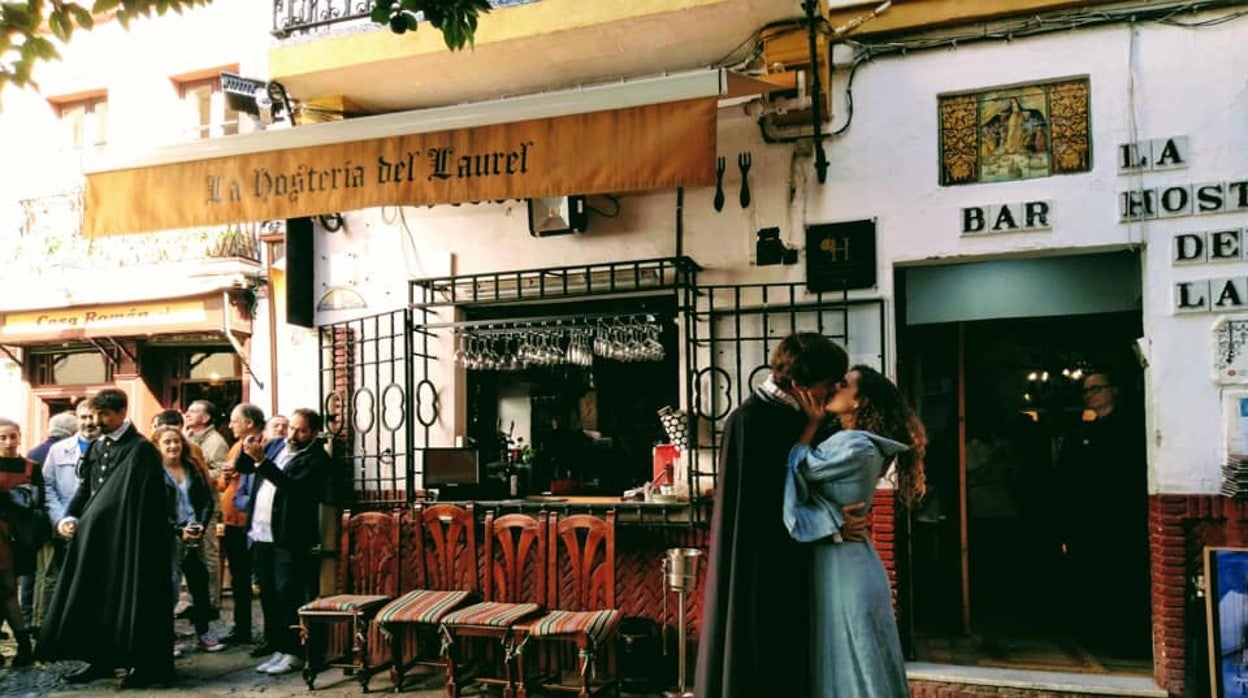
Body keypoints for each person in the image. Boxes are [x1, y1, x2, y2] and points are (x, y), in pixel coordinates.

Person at [694, 332, 868, 697]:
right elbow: (773, 508)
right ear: (800, 384)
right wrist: (833, 526)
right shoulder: (757, 420)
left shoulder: (788, 414)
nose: (834, 389)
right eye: (828, 383)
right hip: (761, 566)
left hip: (776, 559)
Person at [787, 365, 926, 698]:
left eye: (844, 383)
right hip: (844, 560)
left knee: (856, 664)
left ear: (860, 401)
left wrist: (810, 424)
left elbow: (795, 468)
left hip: (845, 567)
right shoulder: (851, 443)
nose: (835, 386)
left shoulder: (856, 447)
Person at [38, 388, 178, 688]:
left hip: (133, 544)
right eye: (94, 414)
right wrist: (68, 517)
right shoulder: (99, 446)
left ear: (121, 413)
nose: (97, 420)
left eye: (104, 415)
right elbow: (86, 488)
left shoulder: (140, 450)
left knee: (136, 601)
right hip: (100, 543)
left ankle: (143, 665)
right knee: (98, 600)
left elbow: (142, 503)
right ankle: (100, 660)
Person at [1055, 369, 1149, 657]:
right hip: (1087, 519)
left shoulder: (1130, 427)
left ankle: (1125, 640)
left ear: (1113, 391)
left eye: (1096, 389)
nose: (1090, 395)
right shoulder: (1081, 432)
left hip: (1119, 518)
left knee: (1120, 578)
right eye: (1085, 390)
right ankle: (1096, 636)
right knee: (1090, 576)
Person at [235, 408, 330, 676]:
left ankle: (297, 653)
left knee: (288, 591)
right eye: (291, 428)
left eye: (301, 430)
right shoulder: (277, 444)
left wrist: (262, 461)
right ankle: (280, 646)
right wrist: (247, 450)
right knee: (268, 593)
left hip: (290, 537)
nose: (293, 434)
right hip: (261, 532)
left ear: (313, 432)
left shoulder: (316, 459)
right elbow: (244, 467)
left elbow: (293, 488)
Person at [151, 425, 224, 655]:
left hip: (195, 532)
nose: (173, 446)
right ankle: (166, 637)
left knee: (199, 585)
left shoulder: (192, 468)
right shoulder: (153, 472)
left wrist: (201, 524)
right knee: (169, 587)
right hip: (169, 535)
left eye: (177, 441)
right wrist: (176, 530)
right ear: (157, 446)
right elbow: (154, 509)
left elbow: (206, 499)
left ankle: (203, 632)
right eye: (167, 442)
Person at [35, 401, 98, 637]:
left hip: (98, 526)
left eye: (92, 417)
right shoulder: (59, 449)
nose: (88, 423)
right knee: (58, 578)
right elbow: (48, 487)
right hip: (64, 525)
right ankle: (56, 629)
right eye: (83, 417)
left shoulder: (110, 449)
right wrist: (61, 519)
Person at [19, 411, 73, 635]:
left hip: (33, 523)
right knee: (49, 572)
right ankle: (42, 621)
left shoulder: (34, 452)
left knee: (33, 573)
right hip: (51, 521)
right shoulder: (57, 451)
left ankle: (28, 616)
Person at [219, 403, 263, 646]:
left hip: (248, 521)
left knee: (254, 578)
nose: (231, 425)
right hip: (232, 521)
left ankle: (266, 633)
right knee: (238, 579)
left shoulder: (257, 446)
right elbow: (226, 483)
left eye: (235, 421)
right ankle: (241, 627)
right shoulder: (236, 446)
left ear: (249, 423)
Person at [0, 418, 41, 667]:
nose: (8, 442)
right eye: (3, 437)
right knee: (6, 590)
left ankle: (24, 646)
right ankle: (24, 645)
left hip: (18, 536)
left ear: (20, 436)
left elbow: (39, 502)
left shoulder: (30, 466)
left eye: (12, 436)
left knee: (6, 589)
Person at [184, 400, 229, 611]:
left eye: (194, 411)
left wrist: (194, 473)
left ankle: (212, 600)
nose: (188, 414)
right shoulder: (187, 437)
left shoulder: (216, 442)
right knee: (190, 555)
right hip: (187, 504)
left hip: (206, 505)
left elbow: (220, 474)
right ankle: (195, 600)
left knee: (208, 554)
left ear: (206, 418)